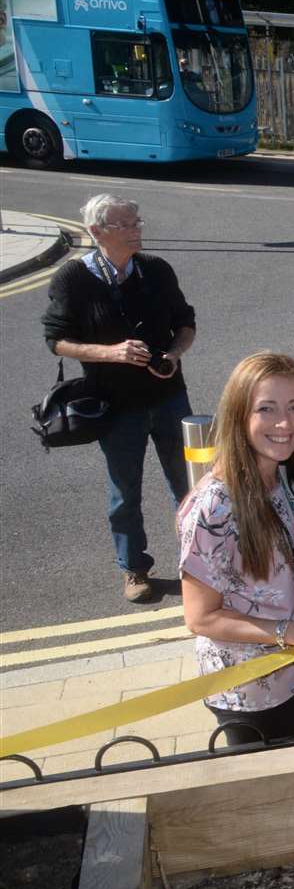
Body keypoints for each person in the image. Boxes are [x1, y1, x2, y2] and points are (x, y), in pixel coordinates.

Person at [177, 353, 294, 744]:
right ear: (239, 415)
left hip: (290, 672)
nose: (285, 423)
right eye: (266, 409)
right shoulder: (215, 508)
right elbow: (200, 618)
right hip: (247, 691)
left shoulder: (282, 477)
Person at [43, 194, 196, 603]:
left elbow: (185, 322)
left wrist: (174, 356)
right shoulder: (72, 278)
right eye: (126, 225)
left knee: (190, 487)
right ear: (97, 233)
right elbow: (56, 340)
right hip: (116, 404)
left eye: (137, 222)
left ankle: (200, 562)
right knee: (124, 492)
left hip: (169, 397)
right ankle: (134, 569)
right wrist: (111, 353)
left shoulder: (156, 270)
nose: (137, 230)